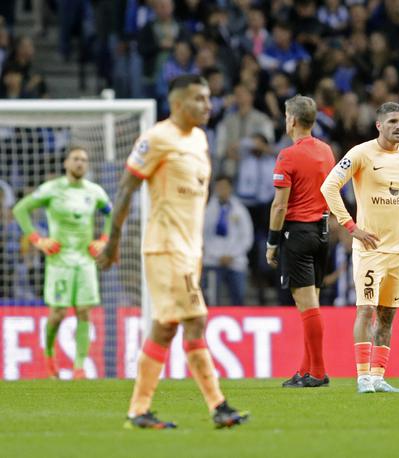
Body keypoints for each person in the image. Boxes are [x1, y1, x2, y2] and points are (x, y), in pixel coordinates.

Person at [97, 75, 249, 429]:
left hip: (190, 249)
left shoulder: (199, 139)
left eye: (209, 98)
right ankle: (219, 406)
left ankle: (138, 410)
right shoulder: (156, 138)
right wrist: (113, 240)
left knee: (165, 328)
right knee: (196, 320)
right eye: (199, 99)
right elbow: (125, 189)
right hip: (166, 247)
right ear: (178, 104)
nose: (208, 105)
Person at [321, 101, 399, 393]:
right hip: (369, 250)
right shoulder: (361, 153)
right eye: (393, 121)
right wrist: (351, 227)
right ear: (379, 125)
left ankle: (378, 377)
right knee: (365, 310)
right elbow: (329, 186)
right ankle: (362, 377)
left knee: (386, 316)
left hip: (398, 252)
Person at [12, 146, 111, 380]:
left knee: (84, 312)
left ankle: (79, 367)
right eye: (76, 159)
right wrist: (37, 240)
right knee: (57, 314)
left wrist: (104, 240)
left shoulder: (94, 192)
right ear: (66, 163)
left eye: (84, 160)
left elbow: (111, 214)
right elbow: (20, 209)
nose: (80, 163)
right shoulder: (51, 189)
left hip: (85, 260)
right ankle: (48, 353)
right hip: (59, 261)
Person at [266, 95, 335, 388]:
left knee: (307, 306)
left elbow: (279, 206)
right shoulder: (327, 151)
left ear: (292, 120)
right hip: (322, 232)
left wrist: (271, 242)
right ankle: (306, 370)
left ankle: (317, 372)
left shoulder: (288, 155)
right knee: (313, 303)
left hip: (297, 233)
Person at [202, 175, 253, 305]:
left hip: (235, 261)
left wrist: (232, 256)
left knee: (238, 298)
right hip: (212, 261)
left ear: (231, 188)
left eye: (225, 187)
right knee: (211, 299)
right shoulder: (207, 210)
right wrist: (217, 256)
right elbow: (202, 235)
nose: (222, 190)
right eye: (219, 187)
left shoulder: (240, 210)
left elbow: (247, 237)